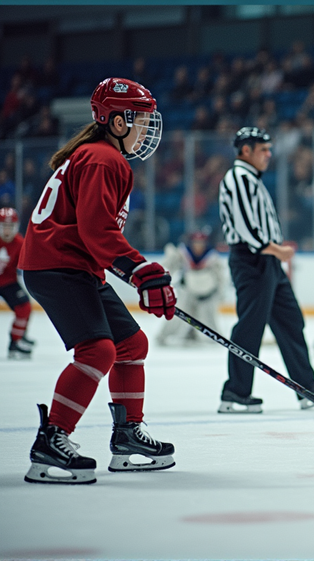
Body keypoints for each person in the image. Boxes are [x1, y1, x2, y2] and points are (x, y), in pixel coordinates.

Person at [19, 77, 176, 484]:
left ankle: (127, 436)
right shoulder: (104, 159)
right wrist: (143, 273)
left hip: (75, 265)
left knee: (130, 344)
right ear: (117, 122)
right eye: (140, 119)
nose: (145, 128)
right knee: (97, 350)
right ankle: (52, 439)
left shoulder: (97, 155)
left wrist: (140, 274)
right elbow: (98, 233)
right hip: (57, 265)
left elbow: (96, 236)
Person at [218, 126, 314, 413]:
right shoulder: (238, 178)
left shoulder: (251, 178)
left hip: (266, 260)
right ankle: (235, 392)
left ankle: (305, 385)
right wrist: (276, 249)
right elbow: (246, 227)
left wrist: (274, 252)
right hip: (253, 259)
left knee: (290, 319)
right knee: (250, 325)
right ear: (246, 150)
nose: (269, 155)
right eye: (263, 149)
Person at [156, 230, 226, 346]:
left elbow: (220, 276)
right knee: (178, 316)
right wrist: (170, 258)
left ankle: (214, 340)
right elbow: (169, 267)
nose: (198, 245)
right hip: (188, 292)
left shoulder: (212, 257)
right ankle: (162, 337)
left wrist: (220, 292)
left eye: (201, 242)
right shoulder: (183, 253)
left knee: (208, 319)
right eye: (196, 242)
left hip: (207, 294)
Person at [1, 207, 34, 359]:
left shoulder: (20, 242)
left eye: (10, 227)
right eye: (4, 226)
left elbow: (24, 264)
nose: (7, 231)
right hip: (6, 280)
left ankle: (16, 340)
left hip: (8, 281)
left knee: (24, 307)